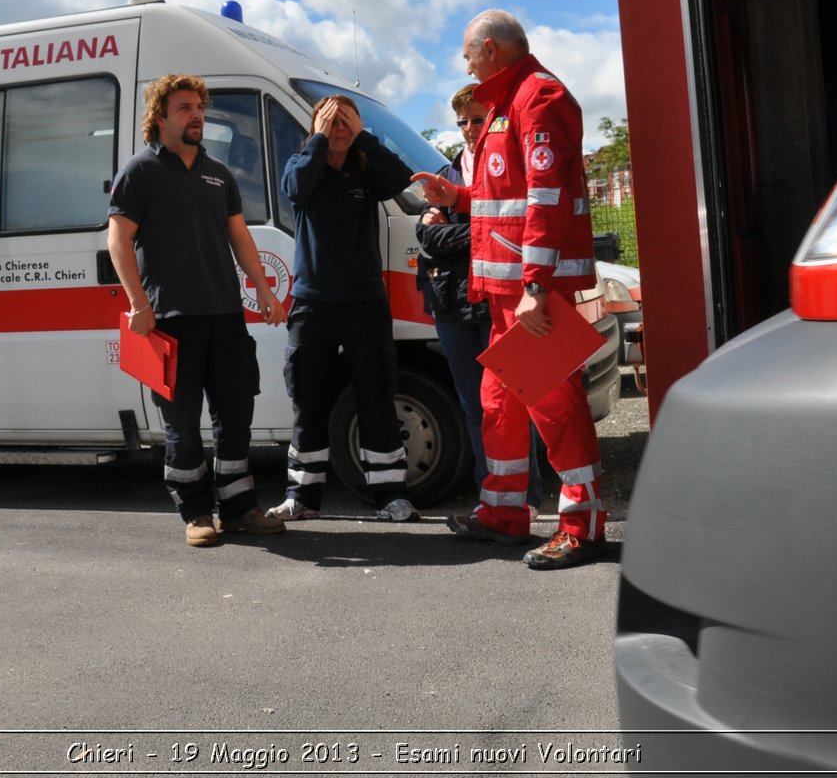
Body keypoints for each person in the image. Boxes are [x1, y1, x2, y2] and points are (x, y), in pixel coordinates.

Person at [413, 10, 608, 570]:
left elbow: (545, 199)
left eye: (468, 53)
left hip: (528, 290)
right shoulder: (506, 103)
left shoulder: (539, 97)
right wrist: (458, 198)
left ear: (491, 49)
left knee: (555, 404)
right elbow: (507, 202)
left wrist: (537, 284)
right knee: (499, 403)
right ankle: (501, 513)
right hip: (506, 292)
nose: (466, 63)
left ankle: (583, 523)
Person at [108, 74, 289, 548]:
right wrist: (138, 305)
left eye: (200, 108)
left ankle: (237, 508)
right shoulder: (140, 171)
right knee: (182, 423)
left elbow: (240, 237)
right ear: (161, 117)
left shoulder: (218, 174)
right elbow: (118, 239)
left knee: (236, 415)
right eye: (185, 108)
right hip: (169, 321)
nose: (197, 116)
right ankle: (195, 513)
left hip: (225, 317)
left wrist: (264, 291)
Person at [272, 94, 421, 524]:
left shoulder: (366, 171)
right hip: (312, 305)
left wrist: (365, 137)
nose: (339, 127)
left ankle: (391, 496)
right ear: (316, 125)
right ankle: (302, 496)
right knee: (308, 398)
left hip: (365, 304)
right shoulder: (303, 166)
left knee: (376, 395)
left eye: (346, 121)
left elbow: (401, 176)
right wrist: (319, 140)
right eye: (331, 120)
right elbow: (294, 189)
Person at [415, 84, 543, 511]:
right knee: (475, 407)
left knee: (515, 402)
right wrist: (483, 233)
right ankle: (490, 495)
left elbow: (519, 230)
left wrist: (459, 228)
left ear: (494, 121)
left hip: (499, 304)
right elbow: (427, 238)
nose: (470, 129)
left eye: (477, 119)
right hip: (451, 305)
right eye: (463, 122)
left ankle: (525, 497)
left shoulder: (508, 168)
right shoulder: (447, 175)